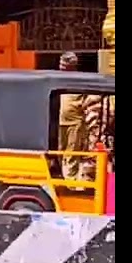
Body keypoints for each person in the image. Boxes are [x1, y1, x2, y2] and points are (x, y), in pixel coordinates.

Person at [56, 51, 88, 180]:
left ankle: (71, 183)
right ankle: (66, 178)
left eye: (63, 65)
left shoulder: (80, 81)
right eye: (60, 64)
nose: (61, 67)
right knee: (60, 152)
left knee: (71, 155)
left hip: (75, 124)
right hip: (62, 122)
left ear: (72, 66)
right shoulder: (59, 80)